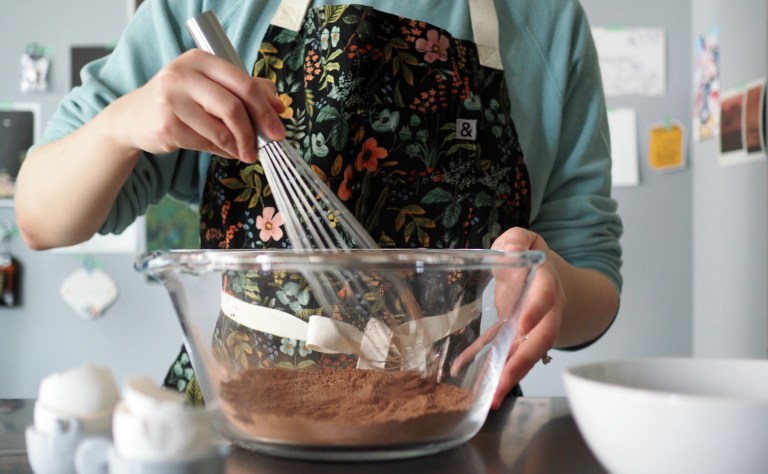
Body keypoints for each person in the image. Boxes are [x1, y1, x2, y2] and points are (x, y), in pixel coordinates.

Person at [15, 0, 622, 409]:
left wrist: (552, 287)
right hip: (237, 420)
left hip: (444, 420)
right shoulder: (215, 9)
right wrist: (121, 124)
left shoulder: (546, 21)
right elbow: (40, 218)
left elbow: (592, 277)